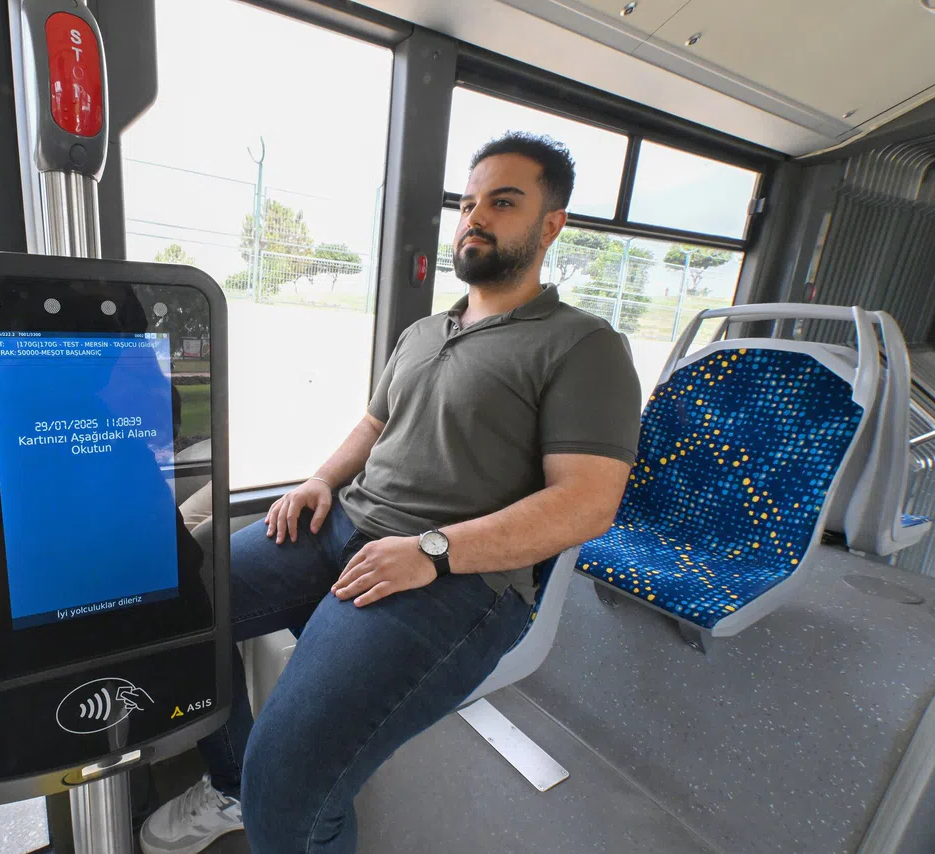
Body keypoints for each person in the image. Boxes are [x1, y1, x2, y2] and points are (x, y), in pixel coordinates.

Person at [140, 132, 643, 854]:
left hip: (455, 579)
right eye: (468, 203)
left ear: (551, 224)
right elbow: (375, 423)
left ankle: (270, 802)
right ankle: (230, 786)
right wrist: (320, 479)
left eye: (503, 202)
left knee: (287, 792)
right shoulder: (423, 332)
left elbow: (588, 503)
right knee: (177, 605)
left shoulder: (582, 345)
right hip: (344, 528)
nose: (476, 218)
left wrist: (433, 551)